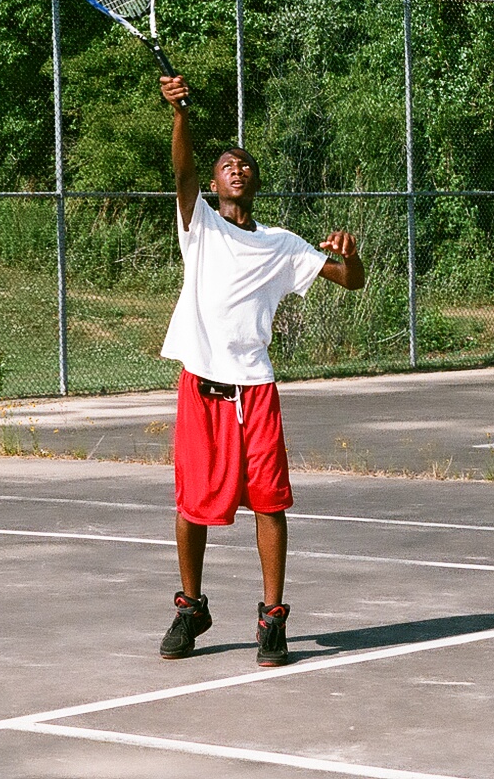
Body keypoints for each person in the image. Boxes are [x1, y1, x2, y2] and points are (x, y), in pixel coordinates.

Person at [155, 75, 364, 667]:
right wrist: (180, 115)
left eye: (244, 164)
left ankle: (272, 619)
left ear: (255, 180)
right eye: (226, 165)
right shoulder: (199, 225)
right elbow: (181, 170)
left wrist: (351, 256)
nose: (236, 169)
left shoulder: (283, 244)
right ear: (214, 182)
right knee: (192, 504)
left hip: (257, 389)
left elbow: (350, 281)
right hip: (202, 386)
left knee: (270, 503)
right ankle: (191, 607)